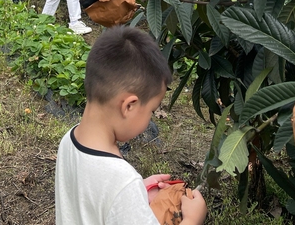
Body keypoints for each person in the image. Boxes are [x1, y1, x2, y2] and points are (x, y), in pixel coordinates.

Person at [55, 27, 208, 225]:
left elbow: (92, 197)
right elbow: (114, 188)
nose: (150, 120)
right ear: (129, 106)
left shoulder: (69, 140)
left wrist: (137, 194)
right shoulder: (122, 183)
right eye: (151, 110)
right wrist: (193, 220)